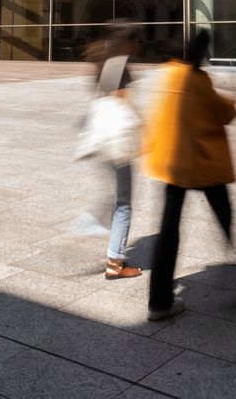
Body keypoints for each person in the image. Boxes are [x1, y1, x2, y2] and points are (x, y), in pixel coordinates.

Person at [144, 29, 236, 320]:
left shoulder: (167, 74)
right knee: (224, 213)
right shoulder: (196, 80)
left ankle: (158, 302)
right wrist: (233, 97)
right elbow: (224, 115)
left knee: (168, 231)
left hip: (170, 162)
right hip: (202, 163)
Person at [83, 22, 143, 281]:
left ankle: (93, 222)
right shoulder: (120, 67)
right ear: (127, 43)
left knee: (119, 199)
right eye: (134, 41)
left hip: (105, 142)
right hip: (118, 144)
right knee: (124, 205)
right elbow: (123, 102)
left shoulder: (103, 63)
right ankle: (115, 262)